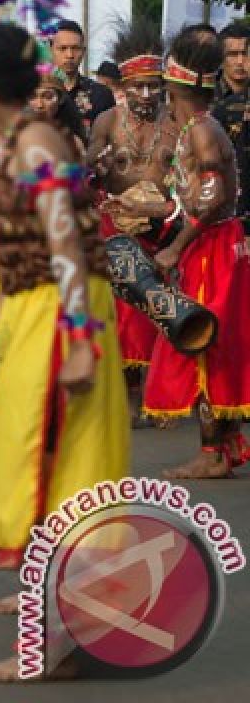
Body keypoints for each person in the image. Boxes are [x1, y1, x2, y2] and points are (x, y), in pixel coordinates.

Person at [0, 15, 129, 683]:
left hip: (64, 317)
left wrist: (77, 344)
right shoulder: (11, 142)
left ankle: (63, 643)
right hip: (31, 311)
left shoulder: (37, 141)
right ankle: (56, 615)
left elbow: (67, 249)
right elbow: (16, 269)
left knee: (58, 466)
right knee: (27, 459)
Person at [141, 27, 250, 478]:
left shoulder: (202, 132)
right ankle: (223, 447)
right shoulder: (199, 127)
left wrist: (176, 249)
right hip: (217, 244)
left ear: (174, 86)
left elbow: (214, 195)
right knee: (213, 342)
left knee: (200, 340)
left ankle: (211, 453)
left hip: (213, 248)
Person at [85, 17, 177, 412]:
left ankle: (157, 393)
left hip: (162, 228)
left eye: (153, 86)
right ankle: (125, 391)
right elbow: (87, 168)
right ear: (123, 88)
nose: (146, 94)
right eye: (138, 86)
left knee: (156, 308)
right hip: (117, 227)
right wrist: (99, 168)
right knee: (121, 312)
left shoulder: (176, 125)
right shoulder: (107, 121)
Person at [49, 19, 115, 131]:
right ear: (51, 50)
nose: (69, 55)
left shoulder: (101, 94)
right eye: (62, 48)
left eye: (75, 48)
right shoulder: (36, 93)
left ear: (83, 51)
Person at [212, 22, 249, 222]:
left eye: (245, 53)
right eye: (232, 54)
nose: (240, 61)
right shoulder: (204, 95)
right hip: (216, 201)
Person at [28, 63, 87, 155]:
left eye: (47, 97)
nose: (39, 105)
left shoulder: (73, 144)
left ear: (61, 99)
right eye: (32, 96)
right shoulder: (10, 138)